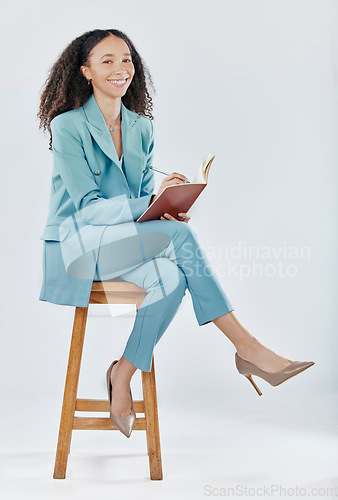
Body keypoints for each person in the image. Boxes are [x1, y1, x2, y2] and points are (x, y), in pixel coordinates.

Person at [37, 29, 314, 438]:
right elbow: (88, 209)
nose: (121, 69)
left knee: (172, 275)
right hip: (79, 248)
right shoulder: (68, 127)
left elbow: (141, 193)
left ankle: (122, 373)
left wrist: (166, 203)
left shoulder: (140, 127)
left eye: (126, 59)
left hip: (122, 244)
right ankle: (248, 349)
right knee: (181, 246)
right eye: (107, 60)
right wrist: (150, 202)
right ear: (86, 72)